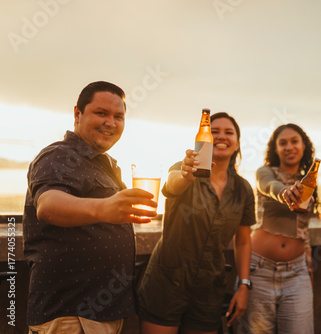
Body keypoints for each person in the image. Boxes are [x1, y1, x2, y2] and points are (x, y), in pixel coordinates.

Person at [23, 81, 158, 333]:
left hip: (98, 314)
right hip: (71, 316)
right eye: (101, 113)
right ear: (77, 113)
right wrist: (104, 208)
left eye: (118, 116)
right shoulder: (60, 155)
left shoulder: (102, 164)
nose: (111, 123)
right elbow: (48, 205)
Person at [137, 112, 255, 334]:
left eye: (229, 132)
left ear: (237, 143)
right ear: (204, 138)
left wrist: (244, 285)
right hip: (166, 285)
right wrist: (186, 175)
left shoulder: (244, 189)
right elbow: (172, 185)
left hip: (209, 291)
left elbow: (243, 241)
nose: (221, 136)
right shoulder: (184, 168)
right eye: (214, 131)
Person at [240, 123, 317, 334]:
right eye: (282, 143)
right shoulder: (265, 172)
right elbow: (268, 185)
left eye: (294, 141)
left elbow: (304, 228)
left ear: (303, 146)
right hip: (259, 271)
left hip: (297, 272)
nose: (289, 147)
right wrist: (284, 192)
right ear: (275, 149)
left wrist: (308, 261)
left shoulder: (309, 181)